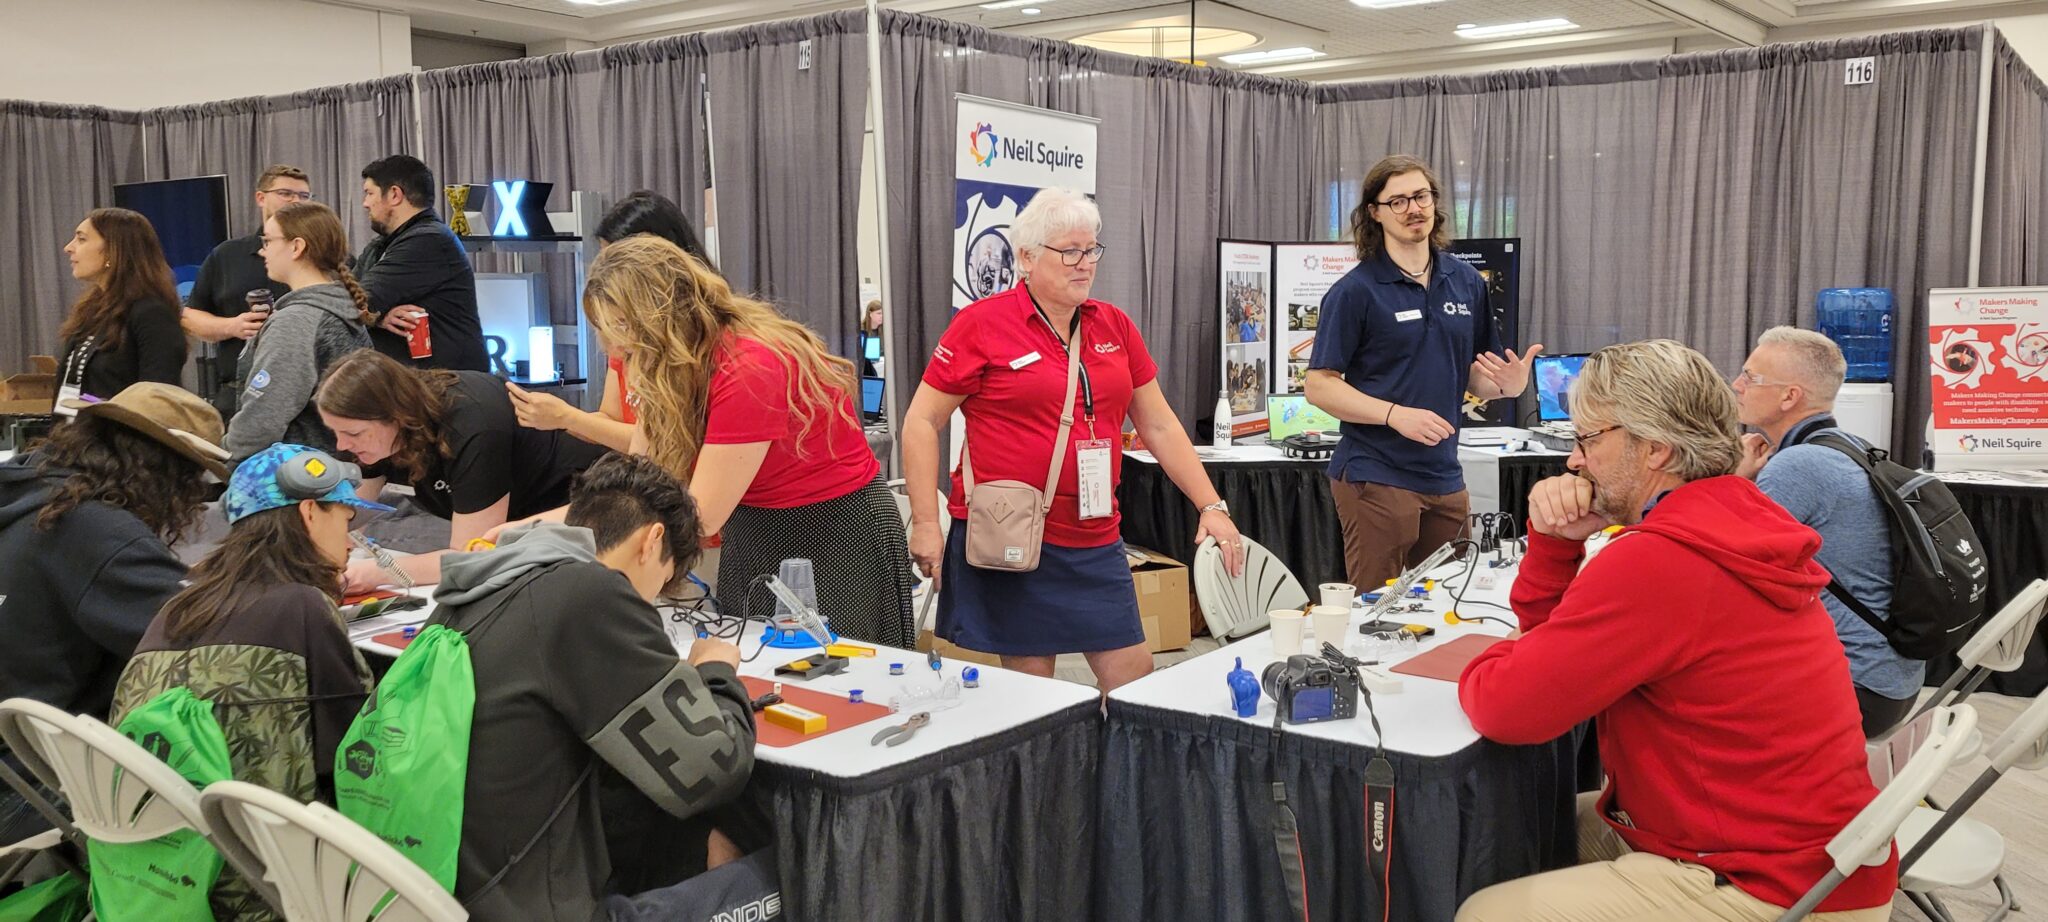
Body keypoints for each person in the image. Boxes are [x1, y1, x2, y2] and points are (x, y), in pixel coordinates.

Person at [1454, 340, 1892, 922]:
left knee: (1486, 907)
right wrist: (1559, 548)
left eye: (1587, 439)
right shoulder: (1738, 514)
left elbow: (1507, 708)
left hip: (1771, 882)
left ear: (1655, 449)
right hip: (1815, 854)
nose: (1574, 462)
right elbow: (1548, 665)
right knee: (1520, 822)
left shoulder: (1660, 561)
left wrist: (1483, 660)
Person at [902, 188, 1245, 693]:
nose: (1085, 264)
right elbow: (920, 423)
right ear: (1025, 257)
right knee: (1035, 691)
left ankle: (1118, 773)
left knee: (1133, 678)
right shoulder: (981, 325)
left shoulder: (1115, 326)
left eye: (1092, 250)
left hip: (1094, 534)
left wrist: (1211, 504)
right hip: (1013, 534)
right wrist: (926, 525)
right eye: (1070, 252)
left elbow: (1160, 425)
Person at [430, 453, 755, 921]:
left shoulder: (485, 582)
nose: (648, 604)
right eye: (660, 585)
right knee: (780, 868)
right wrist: (716, 671)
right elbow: (714, 771)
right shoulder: (591, 593)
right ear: (652, 541)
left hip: (438, 882)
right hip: (522, 901)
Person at [571, 236, 917, 647]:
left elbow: (699, 515)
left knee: (839, 683)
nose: (614, 347)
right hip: (756, 525)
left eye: (621, 328)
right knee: (755, 674)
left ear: (657, 317)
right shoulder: (670, 366)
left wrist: (591, 538)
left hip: (836, 531)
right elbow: (641, 482)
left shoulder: (749, 367)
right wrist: (561, 526)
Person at [110, 443, 386, 922]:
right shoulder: (302, 607)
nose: (349, 543)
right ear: (308, 512)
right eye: (345, 521)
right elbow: (356, 757)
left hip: (163, 873)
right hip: (266, 885)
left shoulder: (176, 608)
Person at [0, 383, 227, 845]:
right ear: (166, 470)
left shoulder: (29, 496)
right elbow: (206, 642)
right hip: (29, 785)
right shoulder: (92, 529)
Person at [1304, 155, 1542, 590]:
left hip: (1445, 475)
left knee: (1448, 600)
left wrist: (1510, 385)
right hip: (1375, 473)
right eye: (1397, 201)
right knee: (1375, 609)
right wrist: (1396, 415)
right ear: (1374, 213)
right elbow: (1319, 386)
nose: (1414, 208)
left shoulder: (1467, 281)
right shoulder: (1355, 292)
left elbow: (1476, 374)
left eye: (1421, 196)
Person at [1733, 327, 1921, 737]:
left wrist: (1736, 483)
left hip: (1855, 690)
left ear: (1789, 397)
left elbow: (1727, 563)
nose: (1737, 385)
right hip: (1892, 681)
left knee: (1669, 688)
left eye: (1751, 376)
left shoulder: (1797, 465)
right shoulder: (1847, 445)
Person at [315, 348, 608, 591]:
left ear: (396, 416)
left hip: (581, 505)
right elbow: (350, 519)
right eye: (335, 433)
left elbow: (469, 555)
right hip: (516, 524)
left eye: (352, 434)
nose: (343, 444)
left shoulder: (472, 424)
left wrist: (379, 572)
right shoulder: (379, 431)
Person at [505, 191, 713, 453]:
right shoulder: (625, 332)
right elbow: (611, 419)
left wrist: (567, 417)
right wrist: (551, 415)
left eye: (616, 260)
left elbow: (663, 442)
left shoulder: (695, 338)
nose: (607, 272)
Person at [222, 201, 374, 460]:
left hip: (292, 479)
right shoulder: (341, 307)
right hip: (327, 472)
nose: (262, 251)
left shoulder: (297, 321)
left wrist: (227, 455)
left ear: (297, 246)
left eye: (268, 241)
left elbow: (264, 417)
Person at [185, 164, 312, 415]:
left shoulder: (328, 257)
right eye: (286, 193)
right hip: (239, 394)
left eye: (304, 196)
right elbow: (190, 316)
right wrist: (232, 326)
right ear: (261, 198)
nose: (296, 201)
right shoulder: (227, 255)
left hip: (307, 396)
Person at [355, 155, 487, 372]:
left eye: (369, 193)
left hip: (448, 385)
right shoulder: (382, 244)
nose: (365, 203)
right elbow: (349, 296)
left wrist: (371, 312)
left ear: (395, 195)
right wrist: (377, 318)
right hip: (418, 383)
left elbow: (355, 301)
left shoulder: (428, 240)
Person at [56, 208, 187, 405]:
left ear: (113, 250)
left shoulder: (151, 313)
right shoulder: (89, 311)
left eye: (82, 239)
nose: (68, 247)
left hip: (116, 435)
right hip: (72, 433)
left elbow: (159, 400)